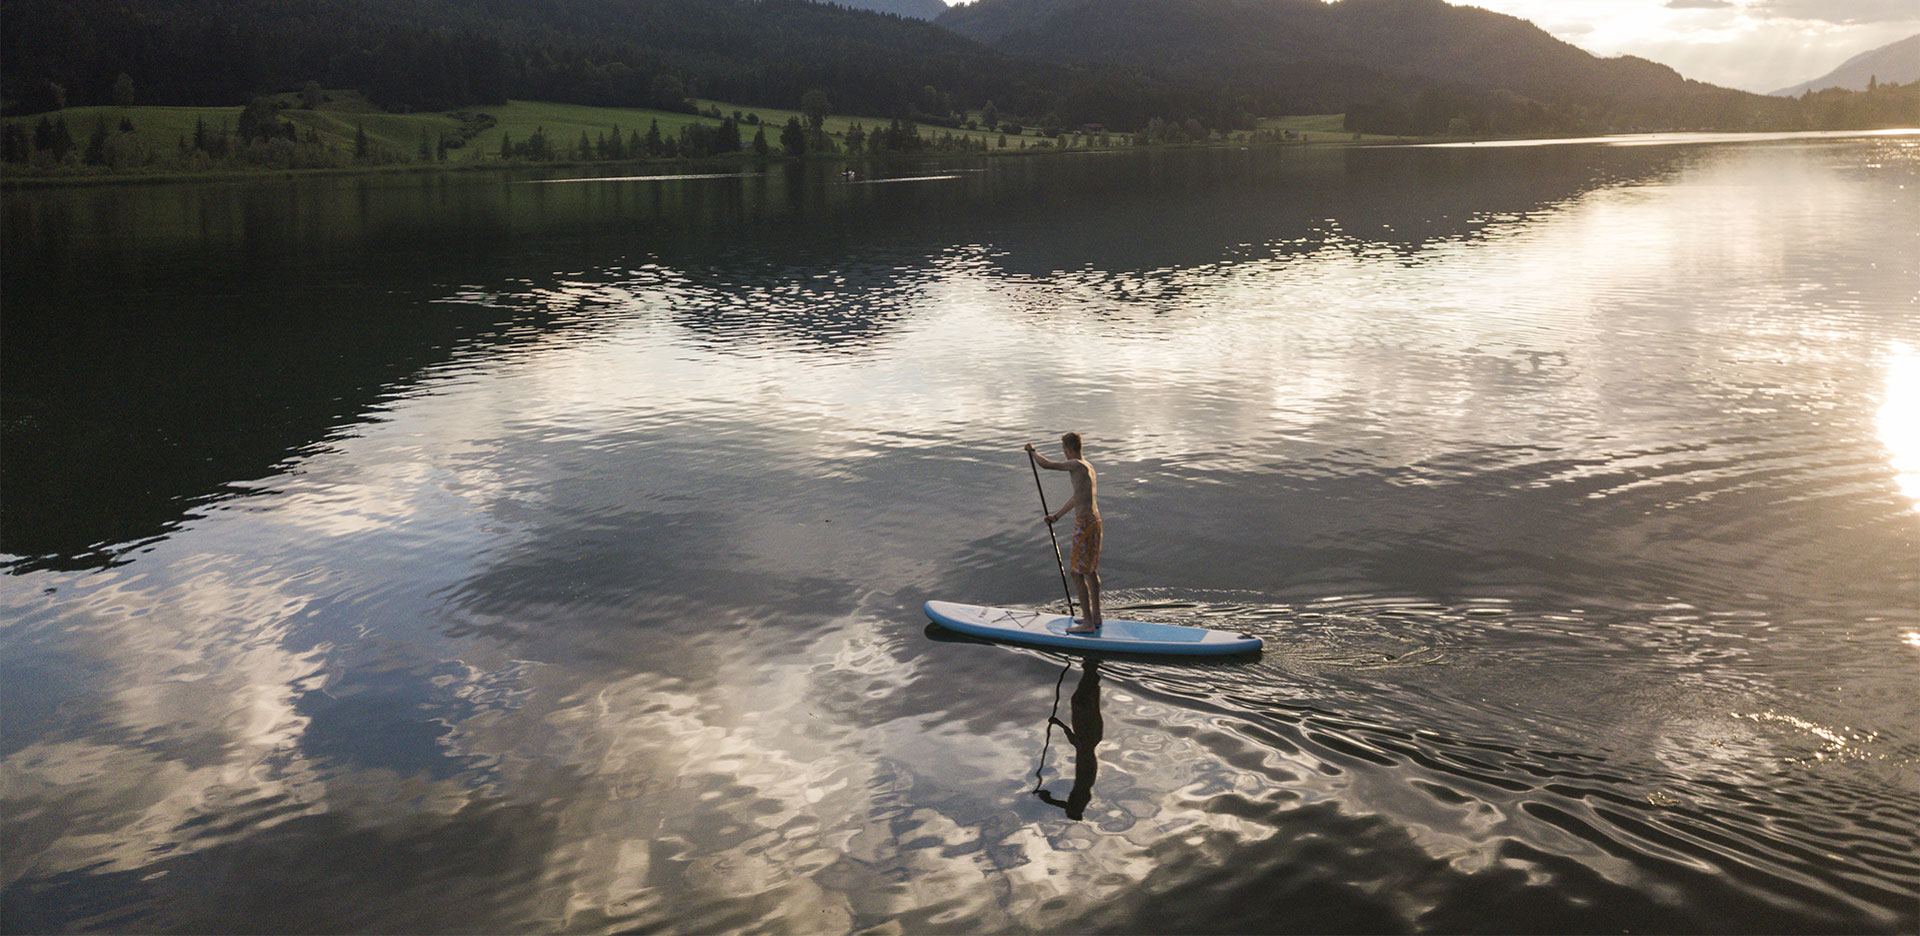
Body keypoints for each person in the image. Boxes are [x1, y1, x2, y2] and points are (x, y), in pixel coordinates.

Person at [1025, 432, 1102, 632]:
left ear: (1068, 449)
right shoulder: (1088, 466)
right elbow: (1078, 497)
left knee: (1077, 573)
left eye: (1064, 450)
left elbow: (1046, 465)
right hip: (1095, 521)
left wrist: (1032, 451)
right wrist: (1057, 516)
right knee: (1090, 571)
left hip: (1084, 525)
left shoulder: (1076, 464)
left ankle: (1087, 623)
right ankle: (1096, 616)